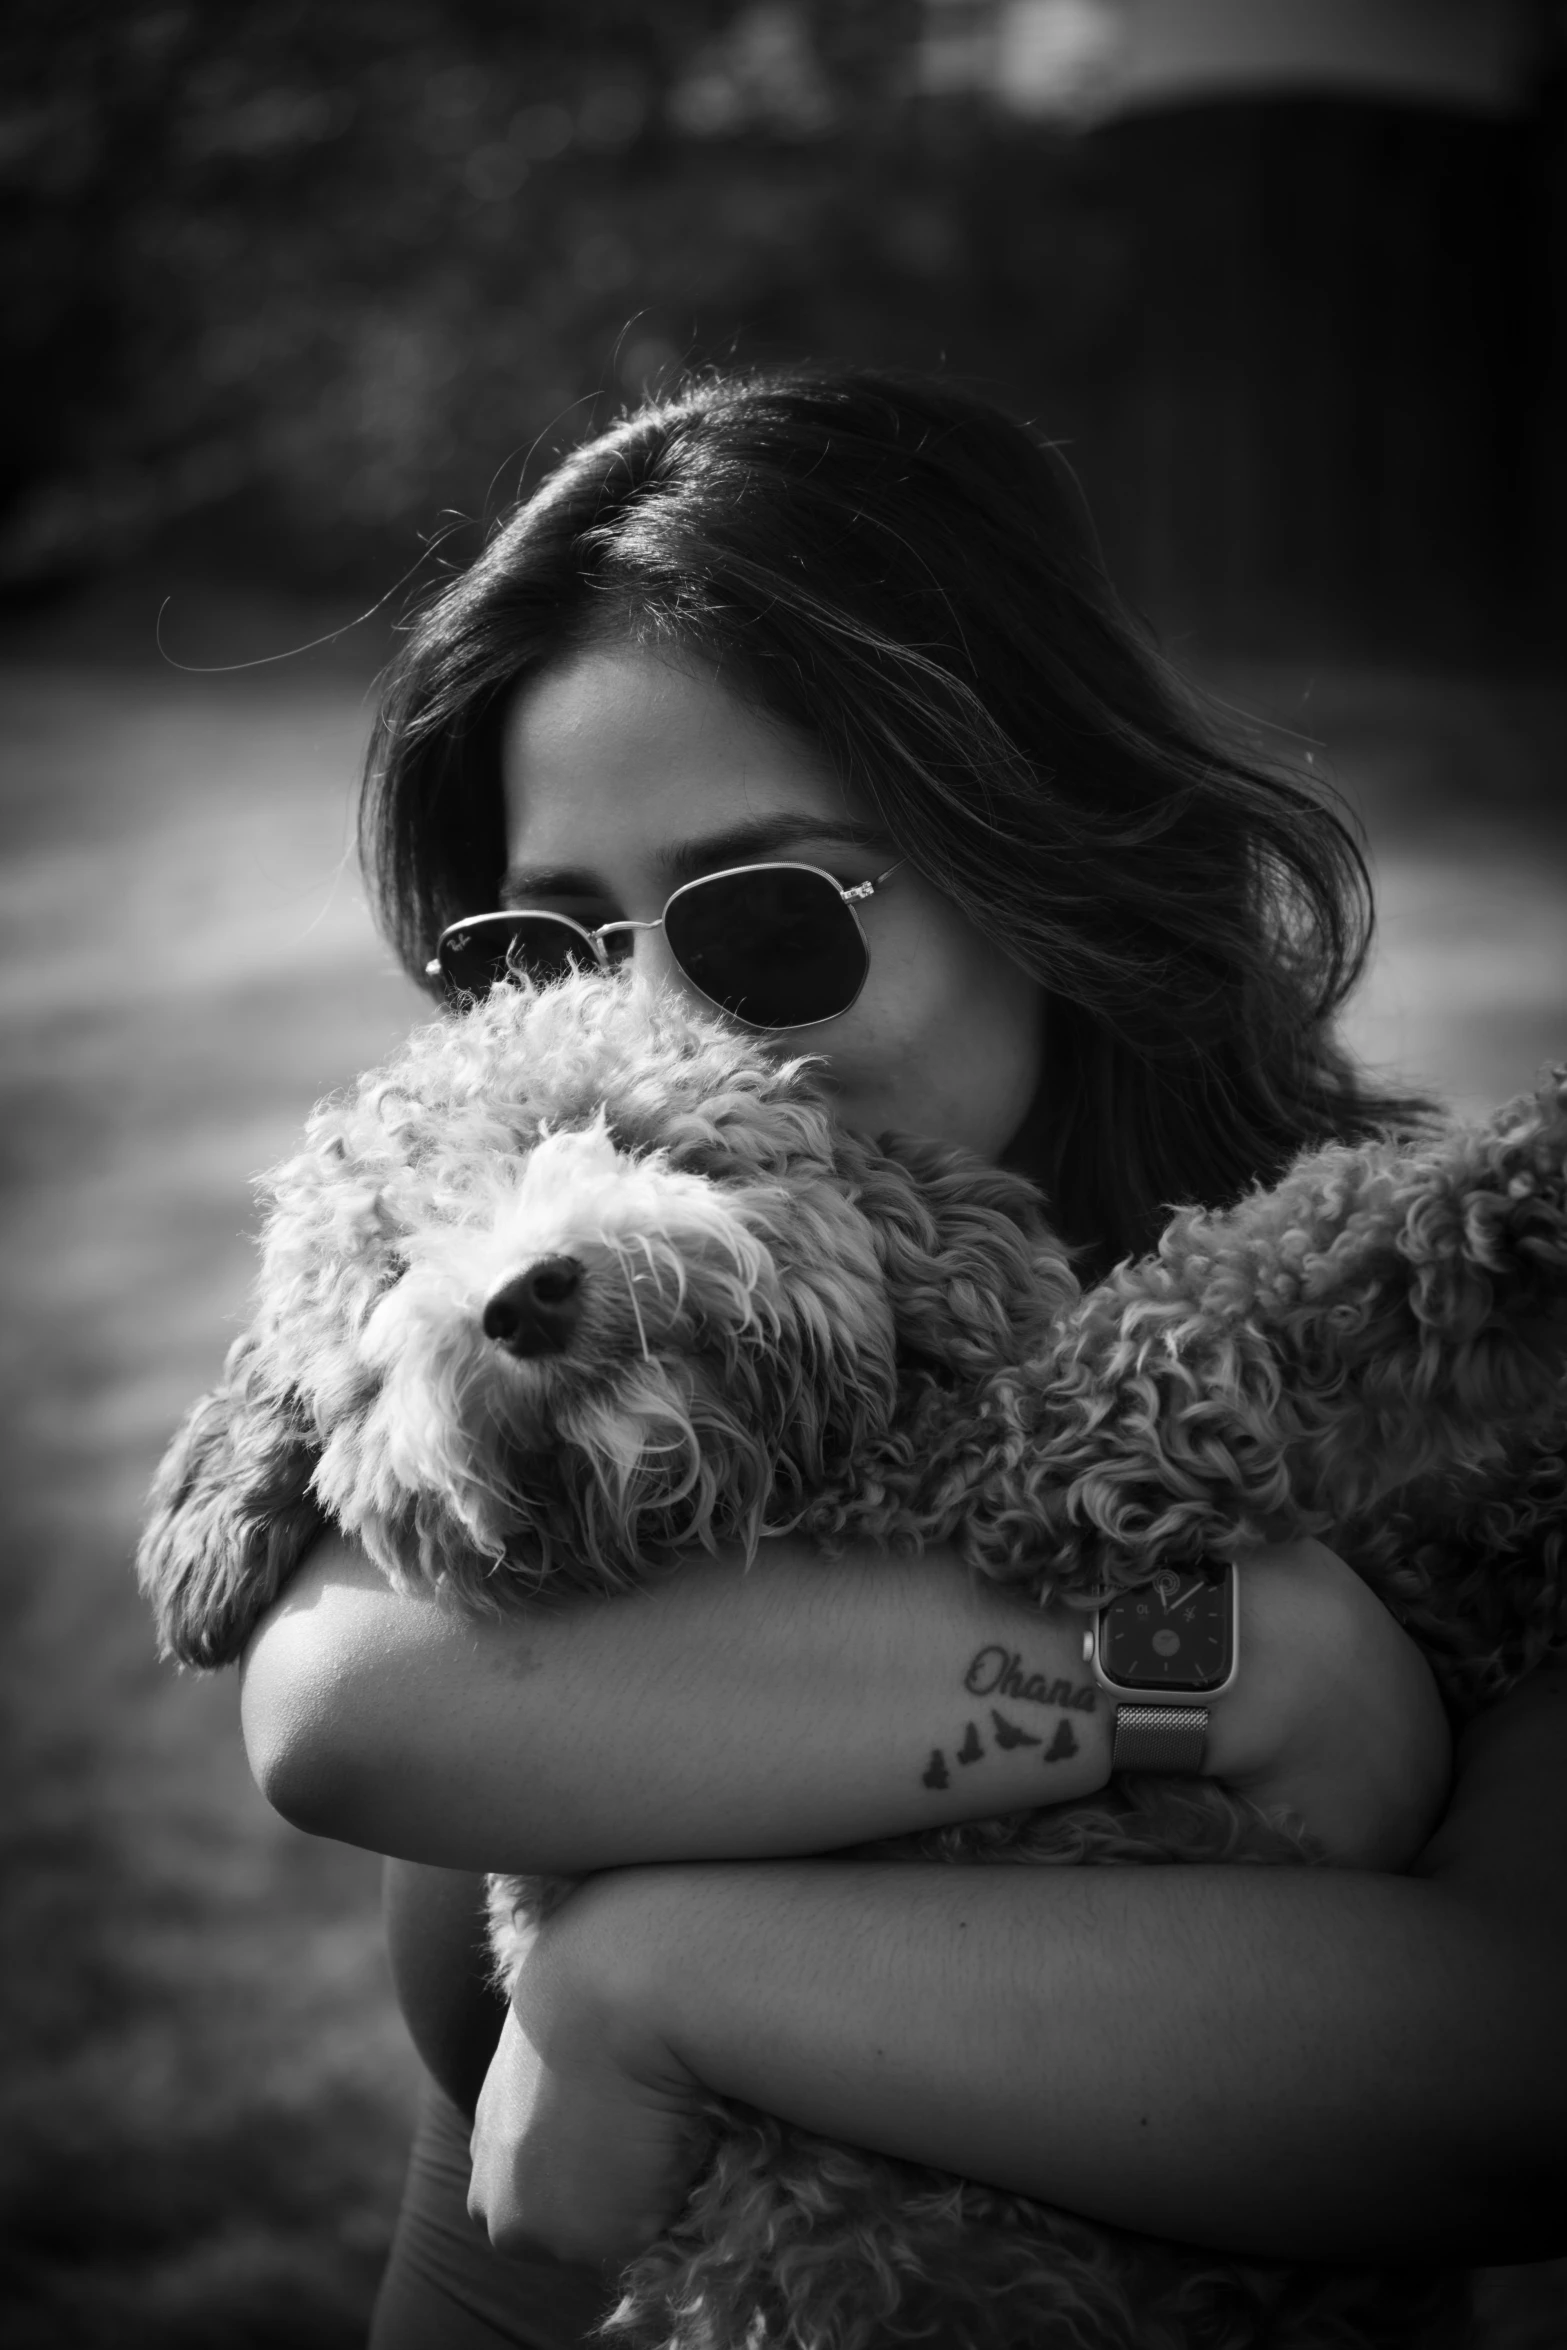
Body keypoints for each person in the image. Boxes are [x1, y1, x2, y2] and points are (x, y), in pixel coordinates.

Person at [235, 369, 1567, 2348]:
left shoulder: (1464, 1356)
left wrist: (660, 1979)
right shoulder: (565, 1388)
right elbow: (335, 1708)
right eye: (554, 948)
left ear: (1049, 863)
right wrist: (1214, 1662)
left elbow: (1510, 2075)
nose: (659, 1035)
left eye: (769, 918)